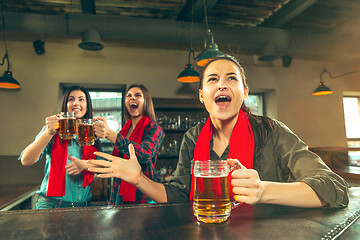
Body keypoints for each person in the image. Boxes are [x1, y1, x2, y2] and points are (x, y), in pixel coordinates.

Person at [87, 55, 349, 208]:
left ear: (244, 92)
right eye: (213, 79)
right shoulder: (192, 137)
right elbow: (178, 194)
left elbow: (335, 187)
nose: (222, 85)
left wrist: (264, 190)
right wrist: (139, 180)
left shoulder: (272, 132)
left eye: (231, 78)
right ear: (202, 95)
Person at [19, 85, 102, 209]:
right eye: (71, 99)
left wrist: (85, 165)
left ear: (87, 105)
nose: (76, 103)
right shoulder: (52, 130)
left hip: (84, 207)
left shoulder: (92, 133)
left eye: (81, 99)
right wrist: (48, 132)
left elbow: (104, 164)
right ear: (65, 104)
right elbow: (26, 160)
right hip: (50, 205)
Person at [91, 84, 164, 204]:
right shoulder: (124, 130)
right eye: (128, 96)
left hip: (142, 195)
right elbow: (116, 162)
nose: (132, 98)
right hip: (118, 192)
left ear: (146, 102)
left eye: (138, 95)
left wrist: (110, 134)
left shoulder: (154, 129)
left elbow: (144, 154)